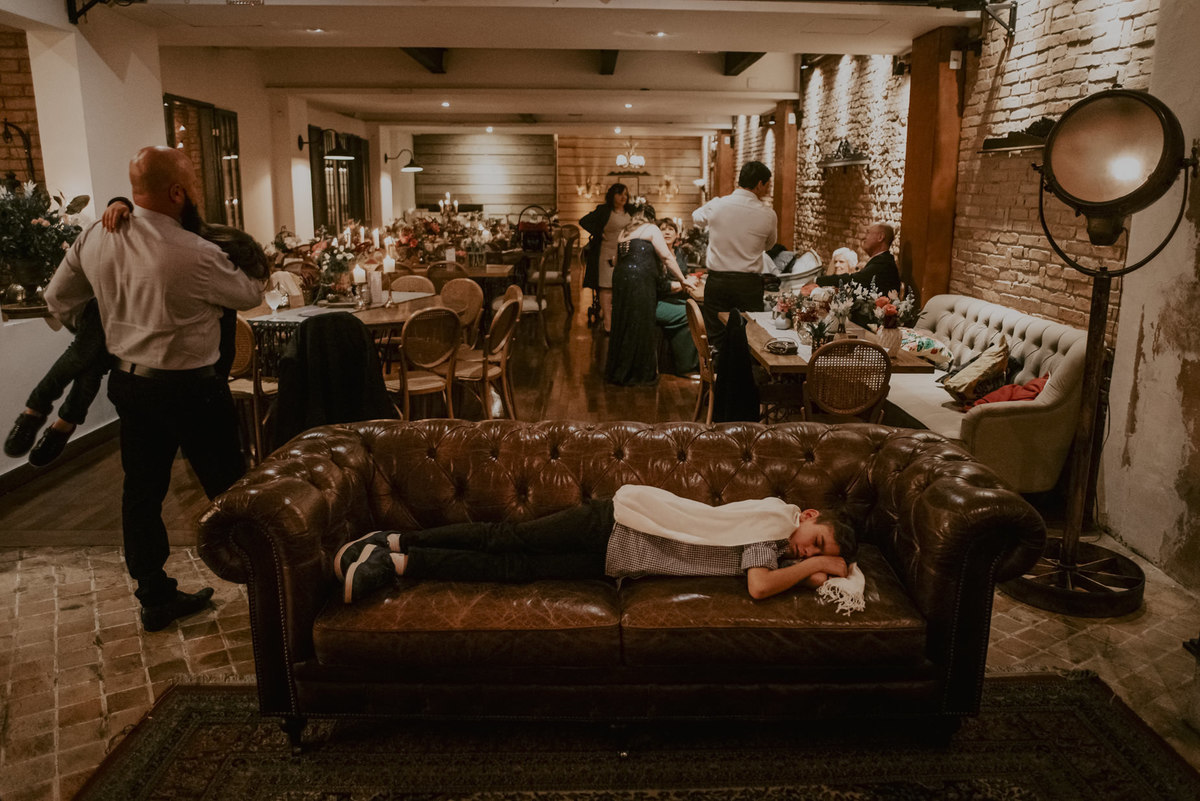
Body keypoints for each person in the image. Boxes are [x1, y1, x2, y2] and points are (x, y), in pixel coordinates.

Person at [44, 146, 264, 632]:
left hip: (130, 385)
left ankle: (155, 596)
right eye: (193, 183)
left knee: (141, 493)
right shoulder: (198, 254)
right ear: (178, 192)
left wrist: (111, 319)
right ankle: (268, 589)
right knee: (231, 490)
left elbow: (57, 298)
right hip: (194, 392)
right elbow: (250, 295)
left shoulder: (96, 238)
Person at [4, 203, 271, 468]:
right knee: (84, 355)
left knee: (92, 362)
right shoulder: (194, 252)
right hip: (113, 312)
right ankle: (55, 418)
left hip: (125, 325)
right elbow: (145, 220)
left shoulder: (196, 257)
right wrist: (120, 204)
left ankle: (43, 414)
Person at [335, 484, 857, 604]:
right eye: (816, 540)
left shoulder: (778, 540)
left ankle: (399, 563)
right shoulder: (770, 522)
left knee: (514, 569)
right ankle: (393, 537)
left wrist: (819, 567)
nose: (808, 552)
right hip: (611, 524)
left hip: (609, 558)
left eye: (817, 550)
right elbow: (761, 587)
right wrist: (827, 566)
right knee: (507, 538)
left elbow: (794, 575)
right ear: (808, 515)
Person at [604, 205, 697, 386]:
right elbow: (667, 258)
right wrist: (683, 280)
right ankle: (639, 373)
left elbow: (616, 260)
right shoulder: (651, 229)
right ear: (651, 218)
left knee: (625, 321)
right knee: (641, 321)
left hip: (621, 279)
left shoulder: (624, 231)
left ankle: (620, 369)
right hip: (640, 280)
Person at [691, 161, 777, 352]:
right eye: (767, 185)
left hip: (718, 282)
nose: (767, 189)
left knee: (717, 339)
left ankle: (719, 379)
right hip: (749, 285)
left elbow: (696, 217)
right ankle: (743, 381)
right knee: (749, 339)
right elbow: (769, 245)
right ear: (759, 184)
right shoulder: (768, 214)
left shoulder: (717, 205)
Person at [579, 183, 631, 333]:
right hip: (606, 252)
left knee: (621, 287)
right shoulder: (604, 210)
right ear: (612, 195)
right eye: (620, 194)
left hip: (625, 253)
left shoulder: (630, 211)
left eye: (626, 194)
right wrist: (598, 231)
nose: (623, 197)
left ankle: (618, 319)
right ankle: (608, 323)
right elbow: (583, 221)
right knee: (606, 287)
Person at [810, 222, 900, 297]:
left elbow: (853, 280)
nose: (863, 237)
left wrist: (816, 280)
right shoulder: (881, 260)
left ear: (880, 237)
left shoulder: (883, 264)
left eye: (868, 233)